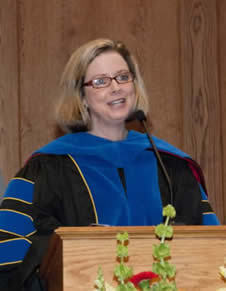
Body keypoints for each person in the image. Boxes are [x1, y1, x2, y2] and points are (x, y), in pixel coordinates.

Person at [0, 38, 220, 291]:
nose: (116, 88)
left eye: (123, 77)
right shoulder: (48, 167)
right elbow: (11, 256)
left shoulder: (171, 165)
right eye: (101, 81)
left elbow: (210, 246)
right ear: (81, 97)